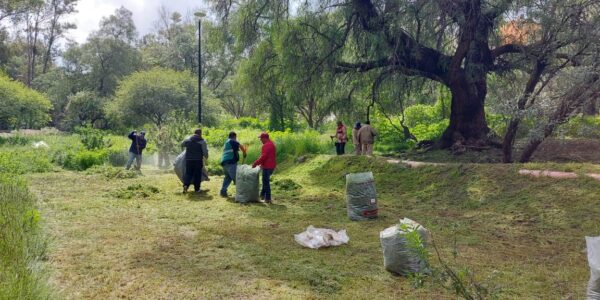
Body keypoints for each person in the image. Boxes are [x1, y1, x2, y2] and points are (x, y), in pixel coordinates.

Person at [220, 131, 247, 197]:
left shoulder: (227, 142)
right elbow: (241, 146)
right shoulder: (232, 141)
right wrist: (244, 153)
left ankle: (223, 191)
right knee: (237, 178)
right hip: (231, 162)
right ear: (234, 136)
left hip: (224, 162)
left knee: (228, 177)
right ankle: (241, 194)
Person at [181, 129, 209, 193]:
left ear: (194, 133)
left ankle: (186, 185)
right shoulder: (202, 141)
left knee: (188, 173)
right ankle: (197, 189)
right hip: (198, 160)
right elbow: (205, 152)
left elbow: (182, 144)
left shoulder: (188, 140)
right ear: (200, 133)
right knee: (197, 174)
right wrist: (206, 157)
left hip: (188, 160)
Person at [252, 132, 276, 203]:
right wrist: (261, 164)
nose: (260, 140)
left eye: (261, 139)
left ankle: (268, 198)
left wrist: (255, 163)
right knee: (265, 181)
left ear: (264, 138)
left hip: (267, 166)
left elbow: (264, 156)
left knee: (266, 182)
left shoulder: (266, 145)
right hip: (271, 166)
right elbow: (268, 156)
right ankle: (262, 195)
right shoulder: (271, 144)